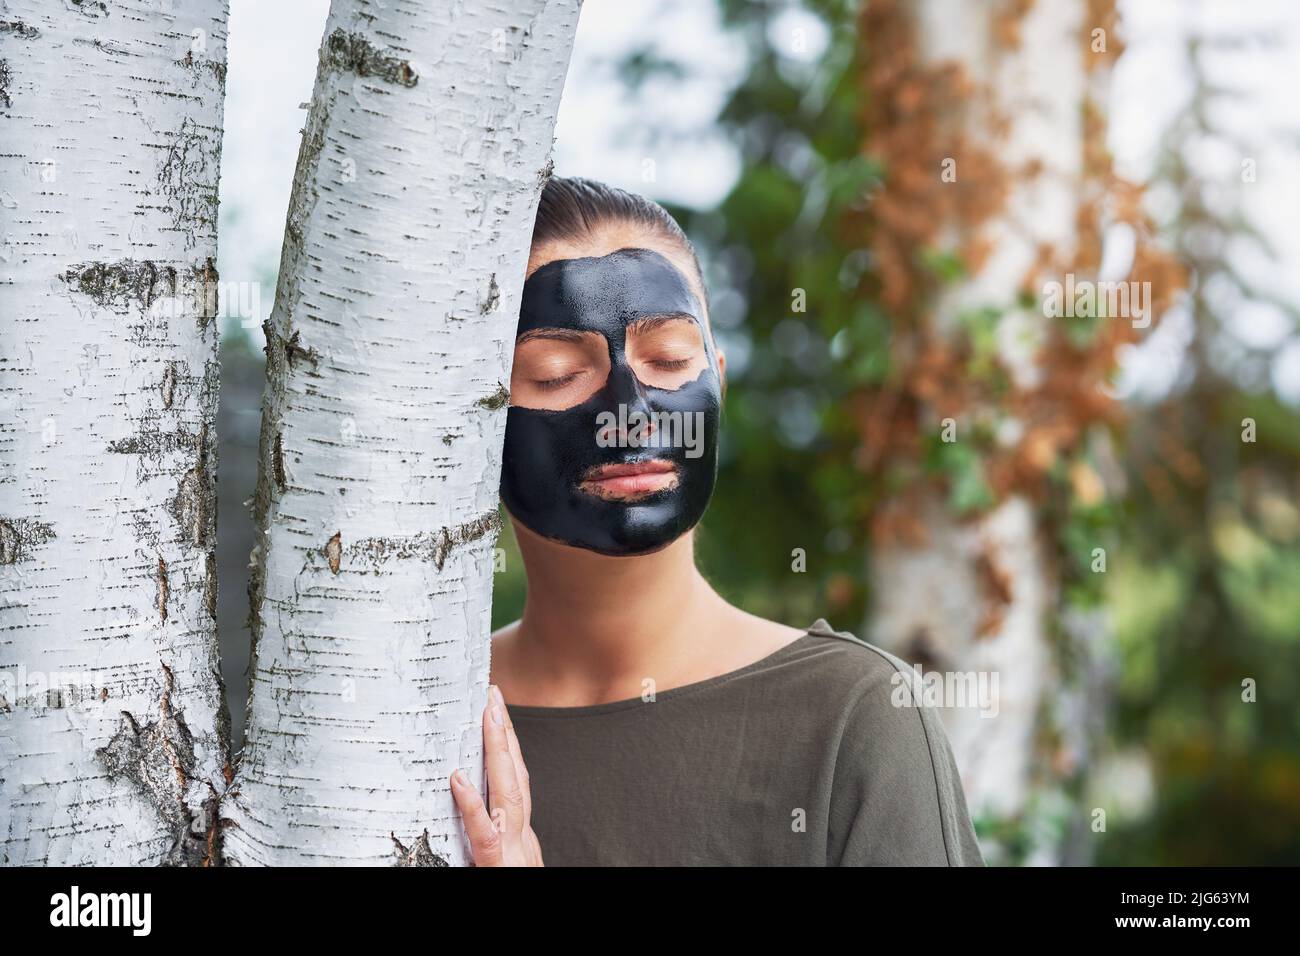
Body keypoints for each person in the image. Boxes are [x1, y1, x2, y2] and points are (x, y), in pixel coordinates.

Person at [448, 176, 984, 867]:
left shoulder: (853, 717)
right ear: (481, 410)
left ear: (719, 383)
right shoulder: (410, 718)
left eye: (668, 360)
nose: (628, 411)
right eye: (555, 373)